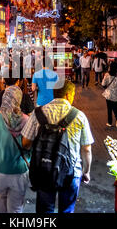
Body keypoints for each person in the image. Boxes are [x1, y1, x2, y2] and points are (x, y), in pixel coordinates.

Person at [21, 80, 94, 213]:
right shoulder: (79, 116)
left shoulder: (38, 113)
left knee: (45, 210)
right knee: (66, 209)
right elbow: (86, 149)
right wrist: (86, 171)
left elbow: (25, 143)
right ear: (67, 95)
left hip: (44, 169)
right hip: (71, 172)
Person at [0, 86, 30, 213]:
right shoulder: (27, 121)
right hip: (19, 171)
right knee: (15, 207)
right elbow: (29, 148)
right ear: (19, 100)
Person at [102, 62, 117, 128]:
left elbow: (103, 84)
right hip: (116, 94)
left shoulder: (107, 74)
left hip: (108, 94)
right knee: (115, 107)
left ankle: (109, 122)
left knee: (109, 108)